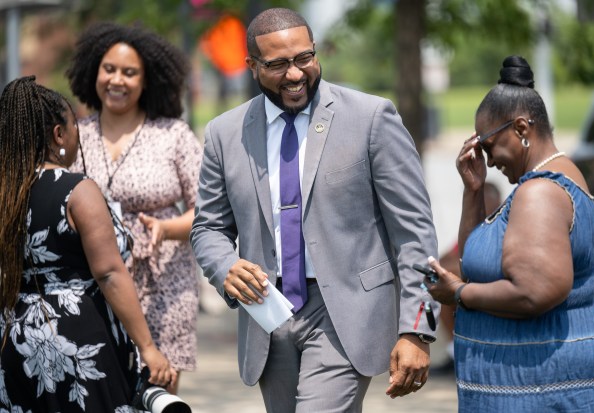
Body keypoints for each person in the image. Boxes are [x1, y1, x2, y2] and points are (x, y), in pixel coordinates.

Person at [190, 7, 439, 412]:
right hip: (266, 313)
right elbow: (208, 228)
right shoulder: (224, 133)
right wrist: (224, 267)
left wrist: (417, 329)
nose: (295, 74)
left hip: (344, 312)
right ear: (251, 66)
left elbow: (414, 232)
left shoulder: (371, 118)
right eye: (278, 64)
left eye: (304, 58)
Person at [425, 56, 594, 412]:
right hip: (533, 382)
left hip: (544, 384)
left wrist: (460, 294)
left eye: (487, 145)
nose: (486, 157)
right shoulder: (544, 183)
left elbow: (535, 292)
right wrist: (473, 191)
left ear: (520, 128)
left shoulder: (540, 193)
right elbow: (474, 263)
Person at [0, 76, 177, 412]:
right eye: (74, 124)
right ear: (58, 135)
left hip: (14, 337)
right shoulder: (76, 190)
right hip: (77, 339)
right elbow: (109, 273)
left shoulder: (6, 193)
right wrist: (148, 347)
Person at [65, 22, 202, 394]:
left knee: (157, 391)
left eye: (130, 72)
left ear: (148, 80)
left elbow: (209, 210)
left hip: (164, 283)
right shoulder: (75, 135)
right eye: (109, 69)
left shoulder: (173, 135)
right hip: (93, 281)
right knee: (100, 388)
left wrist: (167, 229)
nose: (117, 80)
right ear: (94, 71)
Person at [431, 181, 501, 376]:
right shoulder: (476, 227)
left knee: (451, 288)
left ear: (498, 202)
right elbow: (445, 259)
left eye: (485, 202)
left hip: (494, 290)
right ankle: (456, 353)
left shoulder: (504, 226)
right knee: (445, 293)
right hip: (471, 286)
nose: (481, 208)